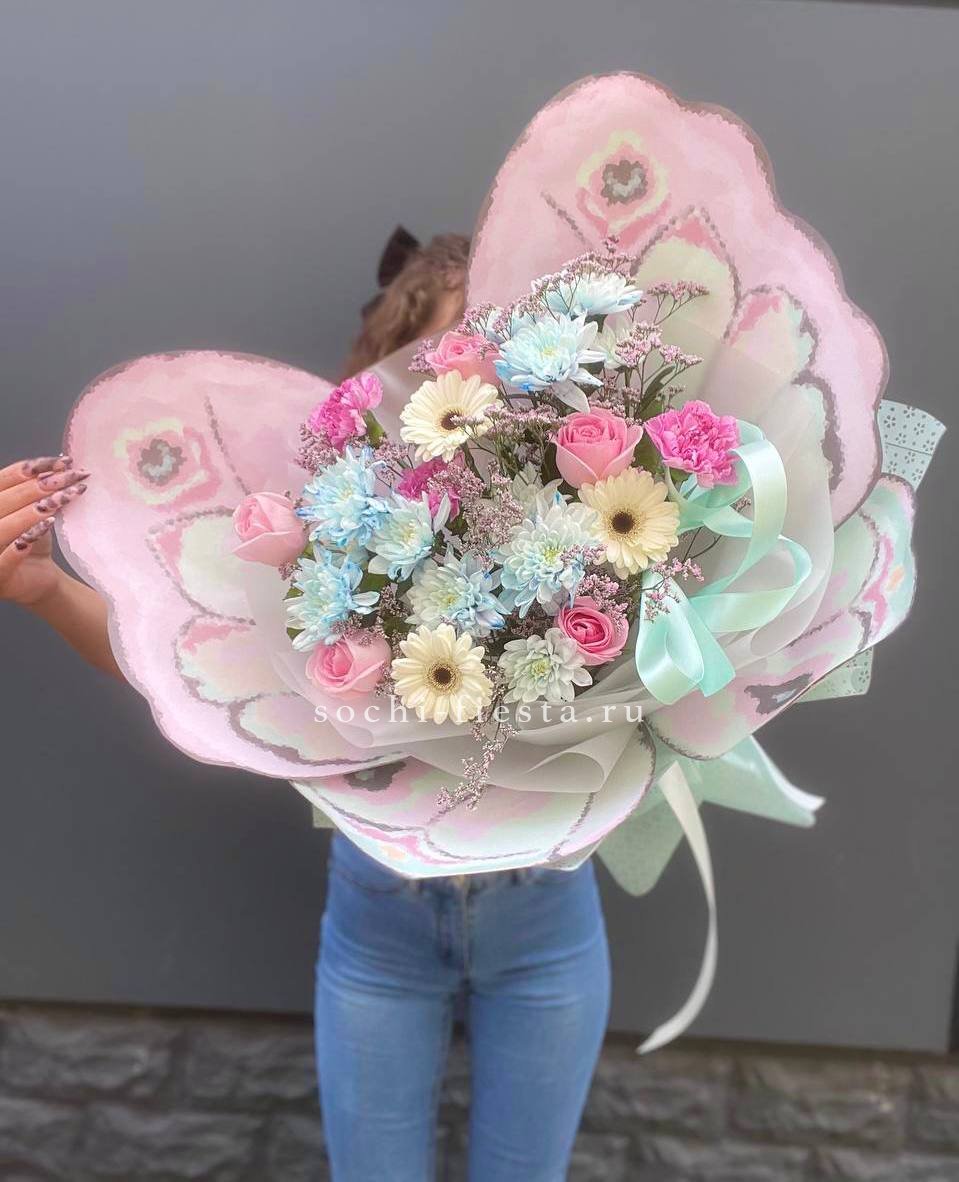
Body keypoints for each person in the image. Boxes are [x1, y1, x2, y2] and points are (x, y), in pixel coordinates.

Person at [0, 230, 611, 1182]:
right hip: (378, 928)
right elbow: (189, 665)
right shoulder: (325, 530)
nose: (467, 387)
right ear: (383, 380)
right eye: (435, 363)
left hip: (547, 925)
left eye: (489, 361)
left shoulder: (583, 533)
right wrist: (44, 590)